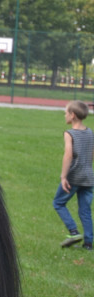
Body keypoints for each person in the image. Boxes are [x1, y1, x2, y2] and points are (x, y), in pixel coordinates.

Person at [54, 100, 93, 250]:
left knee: (58, 203)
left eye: (66, 113)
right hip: (88, 177)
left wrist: (64, 177)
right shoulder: (90, 132)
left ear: (73, 115)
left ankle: (73, 231)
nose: (64, 115)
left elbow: (68, 155)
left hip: (74, 177)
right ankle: (88, 243)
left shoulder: (69, 134)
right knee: (85, 210)